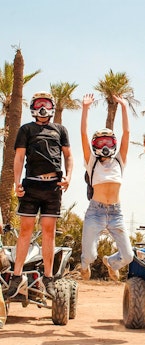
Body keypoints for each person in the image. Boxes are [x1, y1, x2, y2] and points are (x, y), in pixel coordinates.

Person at [6, 91, 73, 299]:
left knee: (48, 231)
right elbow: (19, 157)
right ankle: (16, 276)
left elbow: (68, 156)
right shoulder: (26, 129)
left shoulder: (60, 130)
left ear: (51, 107)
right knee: (25, 229)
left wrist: (68, 177)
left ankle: (48, 277)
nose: (43, 108)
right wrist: (17, 182)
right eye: (39, 104)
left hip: (53, 186)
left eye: (46, 104)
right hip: (31, 185)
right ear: (33, 107)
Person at [80, 93, 133, 281]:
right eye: (100, 142)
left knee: (128, 256)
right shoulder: (92, 162)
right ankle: (85, 266)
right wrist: (85, 109)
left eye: (108, 142)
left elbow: (126, 133)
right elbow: (84, 134)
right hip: (95, 212)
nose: (104, 145)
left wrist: (124, 107)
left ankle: (111, 262)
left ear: (114, 144)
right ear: (95, 145)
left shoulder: (119, 160)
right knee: (90, 256)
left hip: (116, 213)